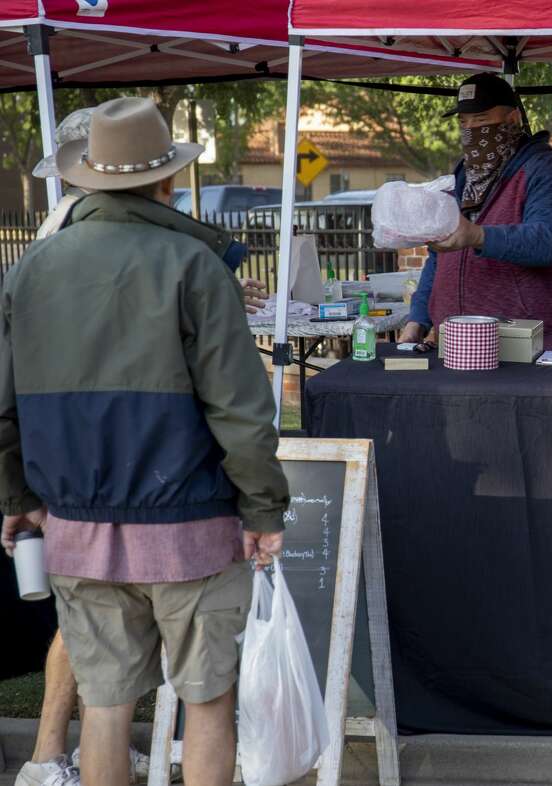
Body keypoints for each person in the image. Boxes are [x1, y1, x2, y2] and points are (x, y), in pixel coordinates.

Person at [0, 97, 289, 786]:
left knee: (104, 706)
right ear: (166, 180)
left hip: (77, 525)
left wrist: (15, 496)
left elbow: (4, 411)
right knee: (207, 701)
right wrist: (263, 509)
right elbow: (240, 410)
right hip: (193, 526)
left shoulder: (31, 269)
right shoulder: (195, 264)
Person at [398, 72, 552, 350]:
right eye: (464, 122)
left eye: (481, 119)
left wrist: (478, 236)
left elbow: (548, 242)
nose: (471, 129)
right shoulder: (464, 176)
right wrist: (418, 318)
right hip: (460, 343)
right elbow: (438, 257)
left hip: (532, 347)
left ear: (513, 119)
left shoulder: (545, 171)